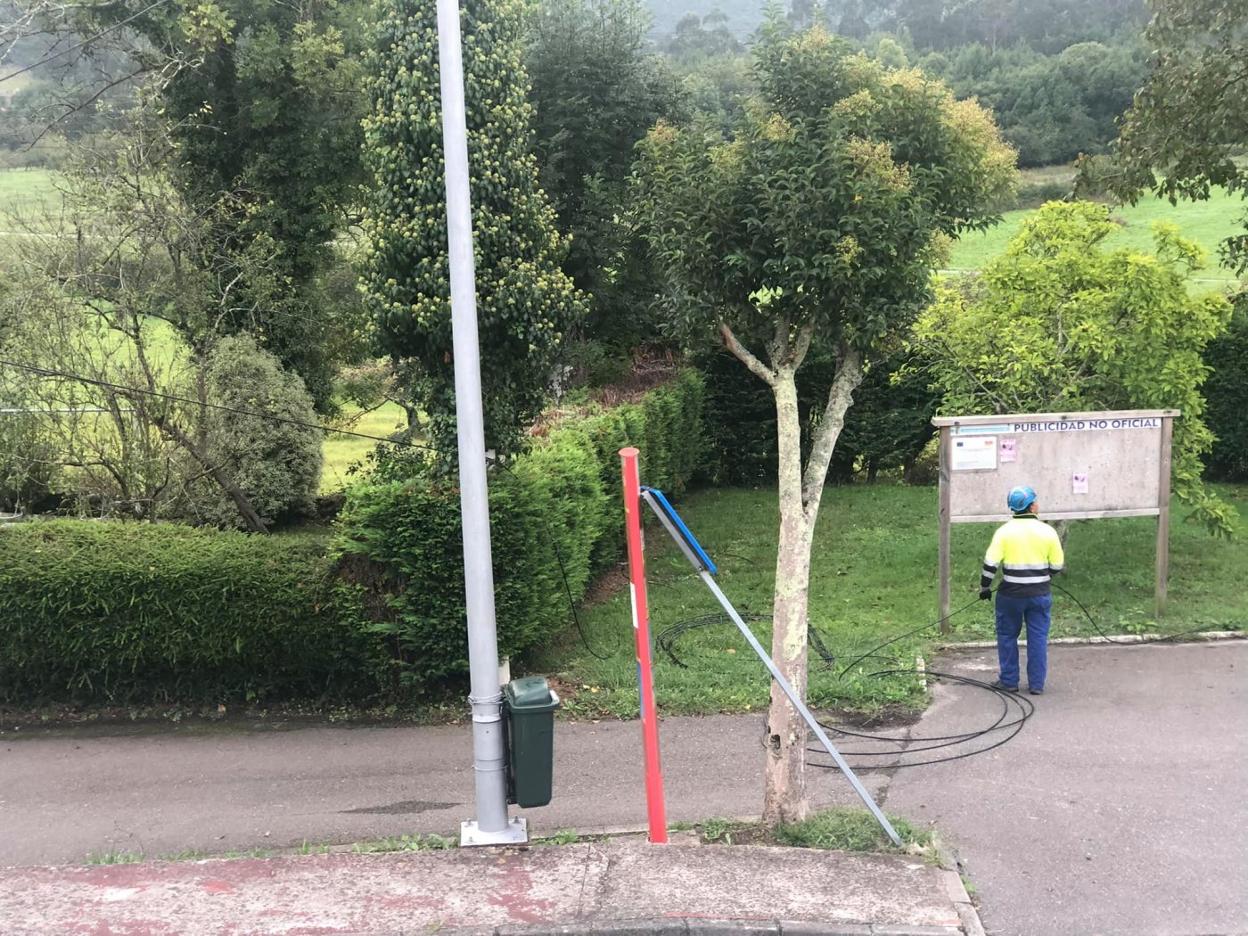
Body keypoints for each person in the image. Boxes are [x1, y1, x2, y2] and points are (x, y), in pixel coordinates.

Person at [978, 485, 1065, 696]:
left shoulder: (1004, 532)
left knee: (1007, 635)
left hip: (1010, 595)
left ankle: (1009, 680)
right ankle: (1036, 684)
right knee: (1038, 637)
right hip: (1040, 594)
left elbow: (990, 565)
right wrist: (1043, 577)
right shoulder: (1047, 531)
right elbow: (1057, 565)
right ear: (1032, 506)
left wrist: (985, 588)